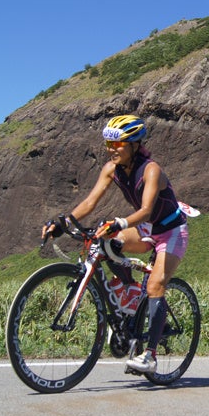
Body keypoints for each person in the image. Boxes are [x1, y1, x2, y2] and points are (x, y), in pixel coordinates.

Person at [41, 114, 189, 374]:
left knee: (155, 286)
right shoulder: (111, 169)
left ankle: (150, 356)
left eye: (117, 144)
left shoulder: (151, 170)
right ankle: (130, 293)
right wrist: (63, 222)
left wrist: (120, 222)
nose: (112, 149)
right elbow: (90, 203)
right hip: (146, 229)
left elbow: (146, 210)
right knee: (106, 241)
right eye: (109, 144)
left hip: (170, 231)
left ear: (134, 144)